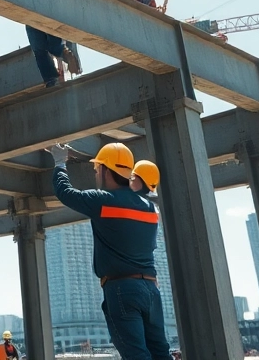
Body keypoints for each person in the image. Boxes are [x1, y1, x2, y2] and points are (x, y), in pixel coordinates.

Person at [48, 142, 170, 360]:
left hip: (122, 289)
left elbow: (66, 193)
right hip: (150, 288)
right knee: (160, 352)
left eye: (97, 170)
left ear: (105, 170)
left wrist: (59, 162)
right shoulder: (151, 208)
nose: (96, 174)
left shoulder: (102, 201)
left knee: (136, 354)